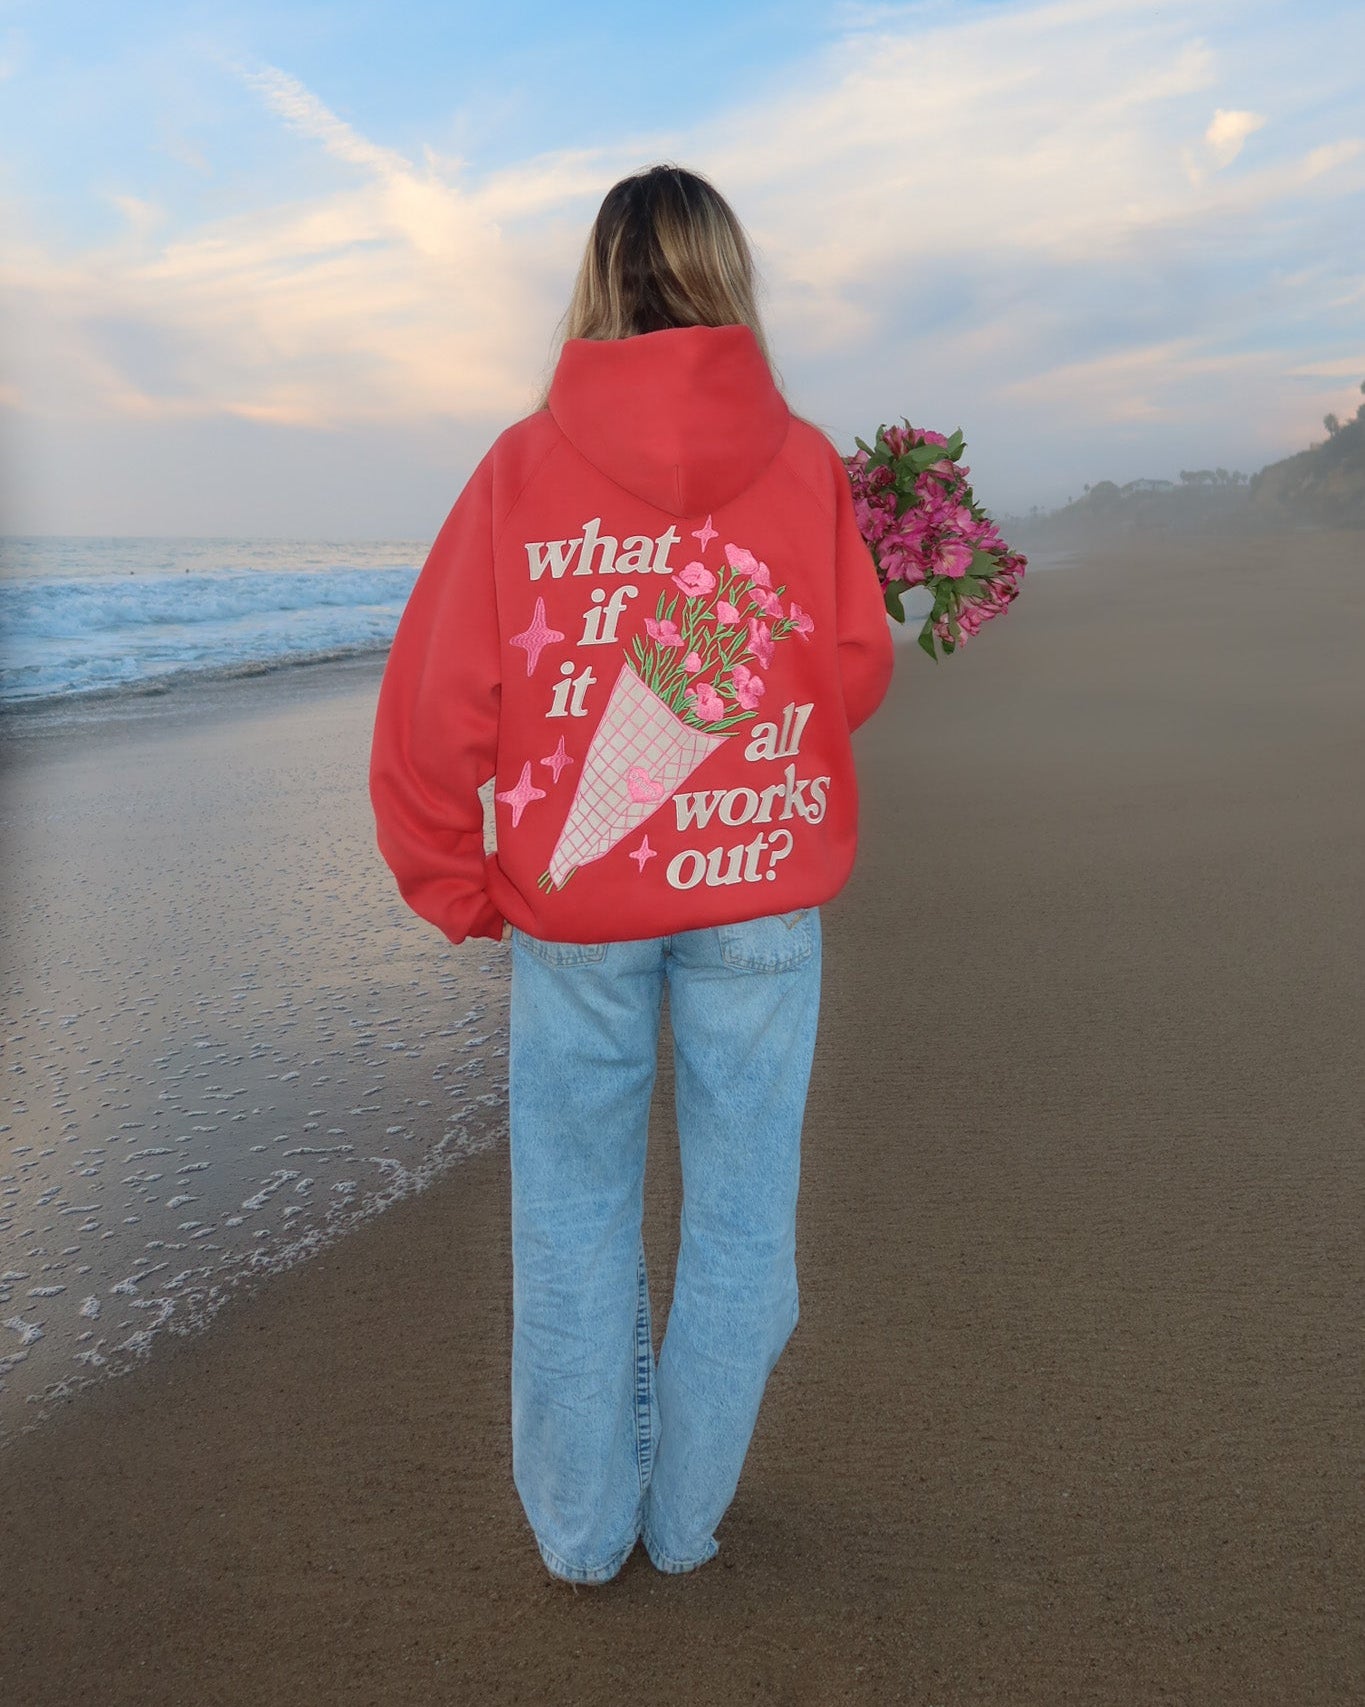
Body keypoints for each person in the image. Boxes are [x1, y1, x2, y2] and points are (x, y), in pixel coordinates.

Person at [368, 163, 894, 1588]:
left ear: (596, 280)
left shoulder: (521, 466)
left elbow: (434, 703)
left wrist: (455, 879)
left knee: (573, 1222)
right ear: (730, 276)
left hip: (578, 915)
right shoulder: (803, 463)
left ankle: (586, 1532)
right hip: (760, 896)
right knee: (742, 1225)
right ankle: (686, 1519)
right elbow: (849, 672)